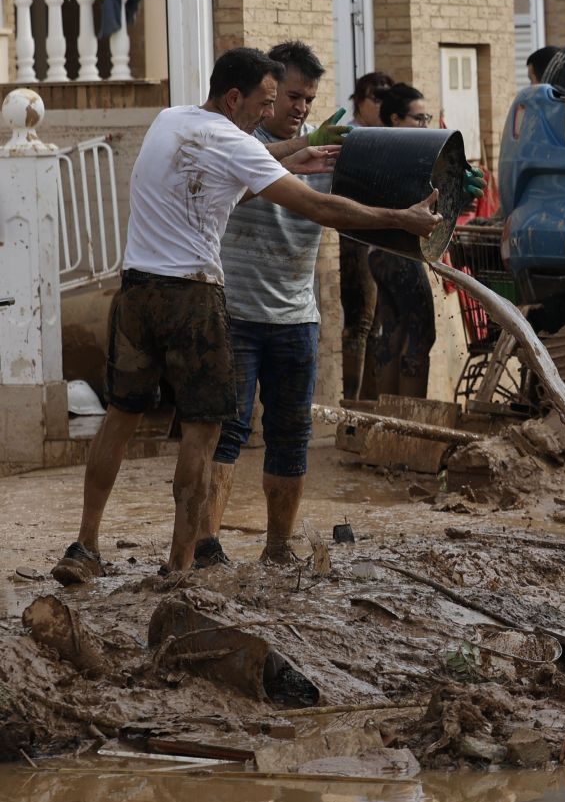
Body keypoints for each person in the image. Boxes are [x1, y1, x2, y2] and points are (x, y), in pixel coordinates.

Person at [50, 48, 442, 584]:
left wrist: (298, 147)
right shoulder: (237, 143)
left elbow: (238, 156)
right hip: (194, 294)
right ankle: (181, 565)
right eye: (265, 103)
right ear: (235, 97)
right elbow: (322, 209)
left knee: (120, 418)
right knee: (203, 434)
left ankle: (85, 545)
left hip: (136, 290)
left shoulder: (171, 120)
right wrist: (403, 217)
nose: (269, 112)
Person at [203, 41, 333, 565]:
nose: (301, 108)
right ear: (270, 92)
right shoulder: (237, 143)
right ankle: (204, 546)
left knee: (291, 433)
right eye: (293, 96)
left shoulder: (327, 153)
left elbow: (375, 193)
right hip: (233, 313)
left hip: (297, 317)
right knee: (224, 430)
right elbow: (234, 183)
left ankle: (278, 547)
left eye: (309, 99)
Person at [360, 82, 441, 400]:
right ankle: (411, 426)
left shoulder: (377, 146)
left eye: (426, 118)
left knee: (392, 334)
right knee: (421, 335)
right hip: (399, 254)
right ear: (394, 119)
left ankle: (390, 421)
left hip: (380, 254)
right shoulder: (403, 151)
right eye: (417, 118)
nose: (424, 125)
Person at [340, 71, 393, 398]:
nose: (382, 104)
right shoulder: (353, 136)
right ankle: (352, 406)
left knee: (375, 327)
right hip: (356, 239)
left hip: (377, 238)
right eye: (376, 97)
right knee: (361, 323)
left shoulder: (384, 136)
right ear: (360, 101)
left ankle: (370, 408)